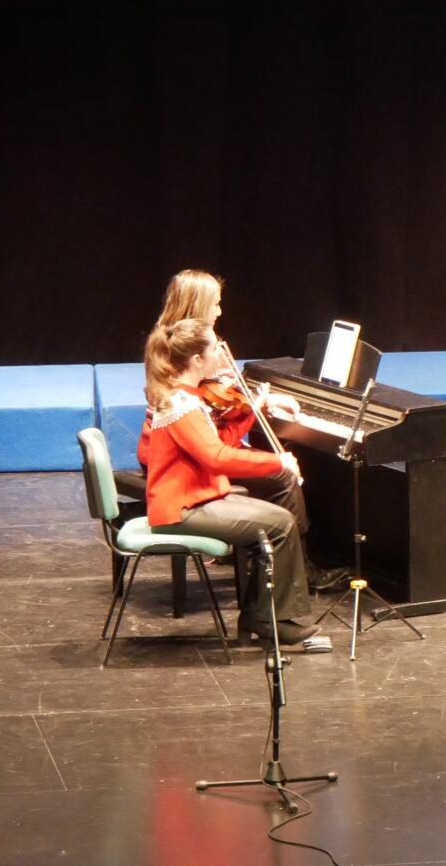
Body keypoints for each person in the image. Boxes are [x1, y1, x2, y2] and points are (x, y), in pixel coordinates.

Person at [137, 270, 346, 593]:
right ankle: (290, 569)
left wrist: (258, 403)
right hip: (177, 463)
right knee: (282, 478)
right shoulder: (184, 353)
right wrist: (253, 413)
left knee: (274, 473)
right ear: (198, 304)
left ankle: (262, 557)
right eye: (216, 304)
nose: (220, 311)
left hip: (193, 448)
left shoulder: (186, 344)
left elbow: (221, 410)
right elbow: (215, 446)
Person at [143, 318, 322, 644]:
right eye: (214, 347)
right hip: (182, 509)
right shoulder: (179, 405)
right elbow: (216, 457)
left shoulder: (188, 397)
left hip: (198, 497)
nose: (221, 354)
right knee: (281, 525)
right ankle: (268, 619)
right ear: (197, 359)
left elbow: (220, 442)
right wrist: (277, 461)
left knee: (280, 521)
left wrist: (251, 409)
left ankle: (260, 616)